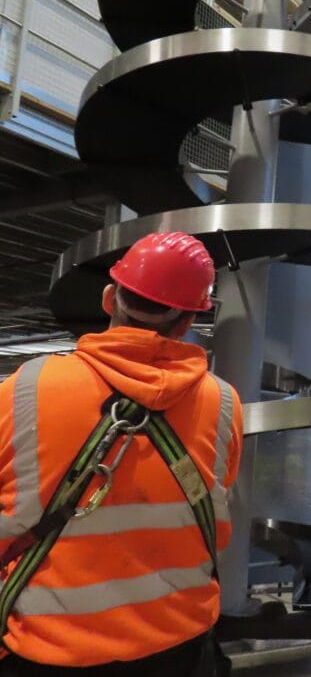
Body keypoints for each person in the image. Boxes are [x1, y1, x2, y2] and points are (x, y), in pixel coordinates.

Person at [0, 232, 243, 677]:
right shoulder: (224, 402)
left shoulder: (27, 388)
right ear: (189, 320)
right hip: (182, 647)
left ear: (110, 297)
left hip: (51, 651)